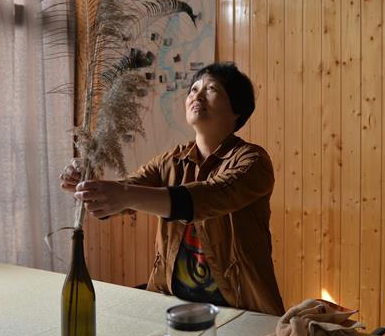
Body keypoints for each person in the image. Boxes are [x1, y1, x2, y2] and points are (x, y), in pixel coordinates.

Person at [60, 62, 284, 316]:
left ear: (237, 110)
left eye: (211, 89)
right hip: (171, 302)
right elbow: (127, 190)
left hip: (241, 307)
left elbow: (208, 196)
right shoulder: (170, 160)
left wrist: (123, 195)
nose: (197, 96)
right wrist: (89, 184)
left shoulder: (253, 161)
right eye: (194, 89)